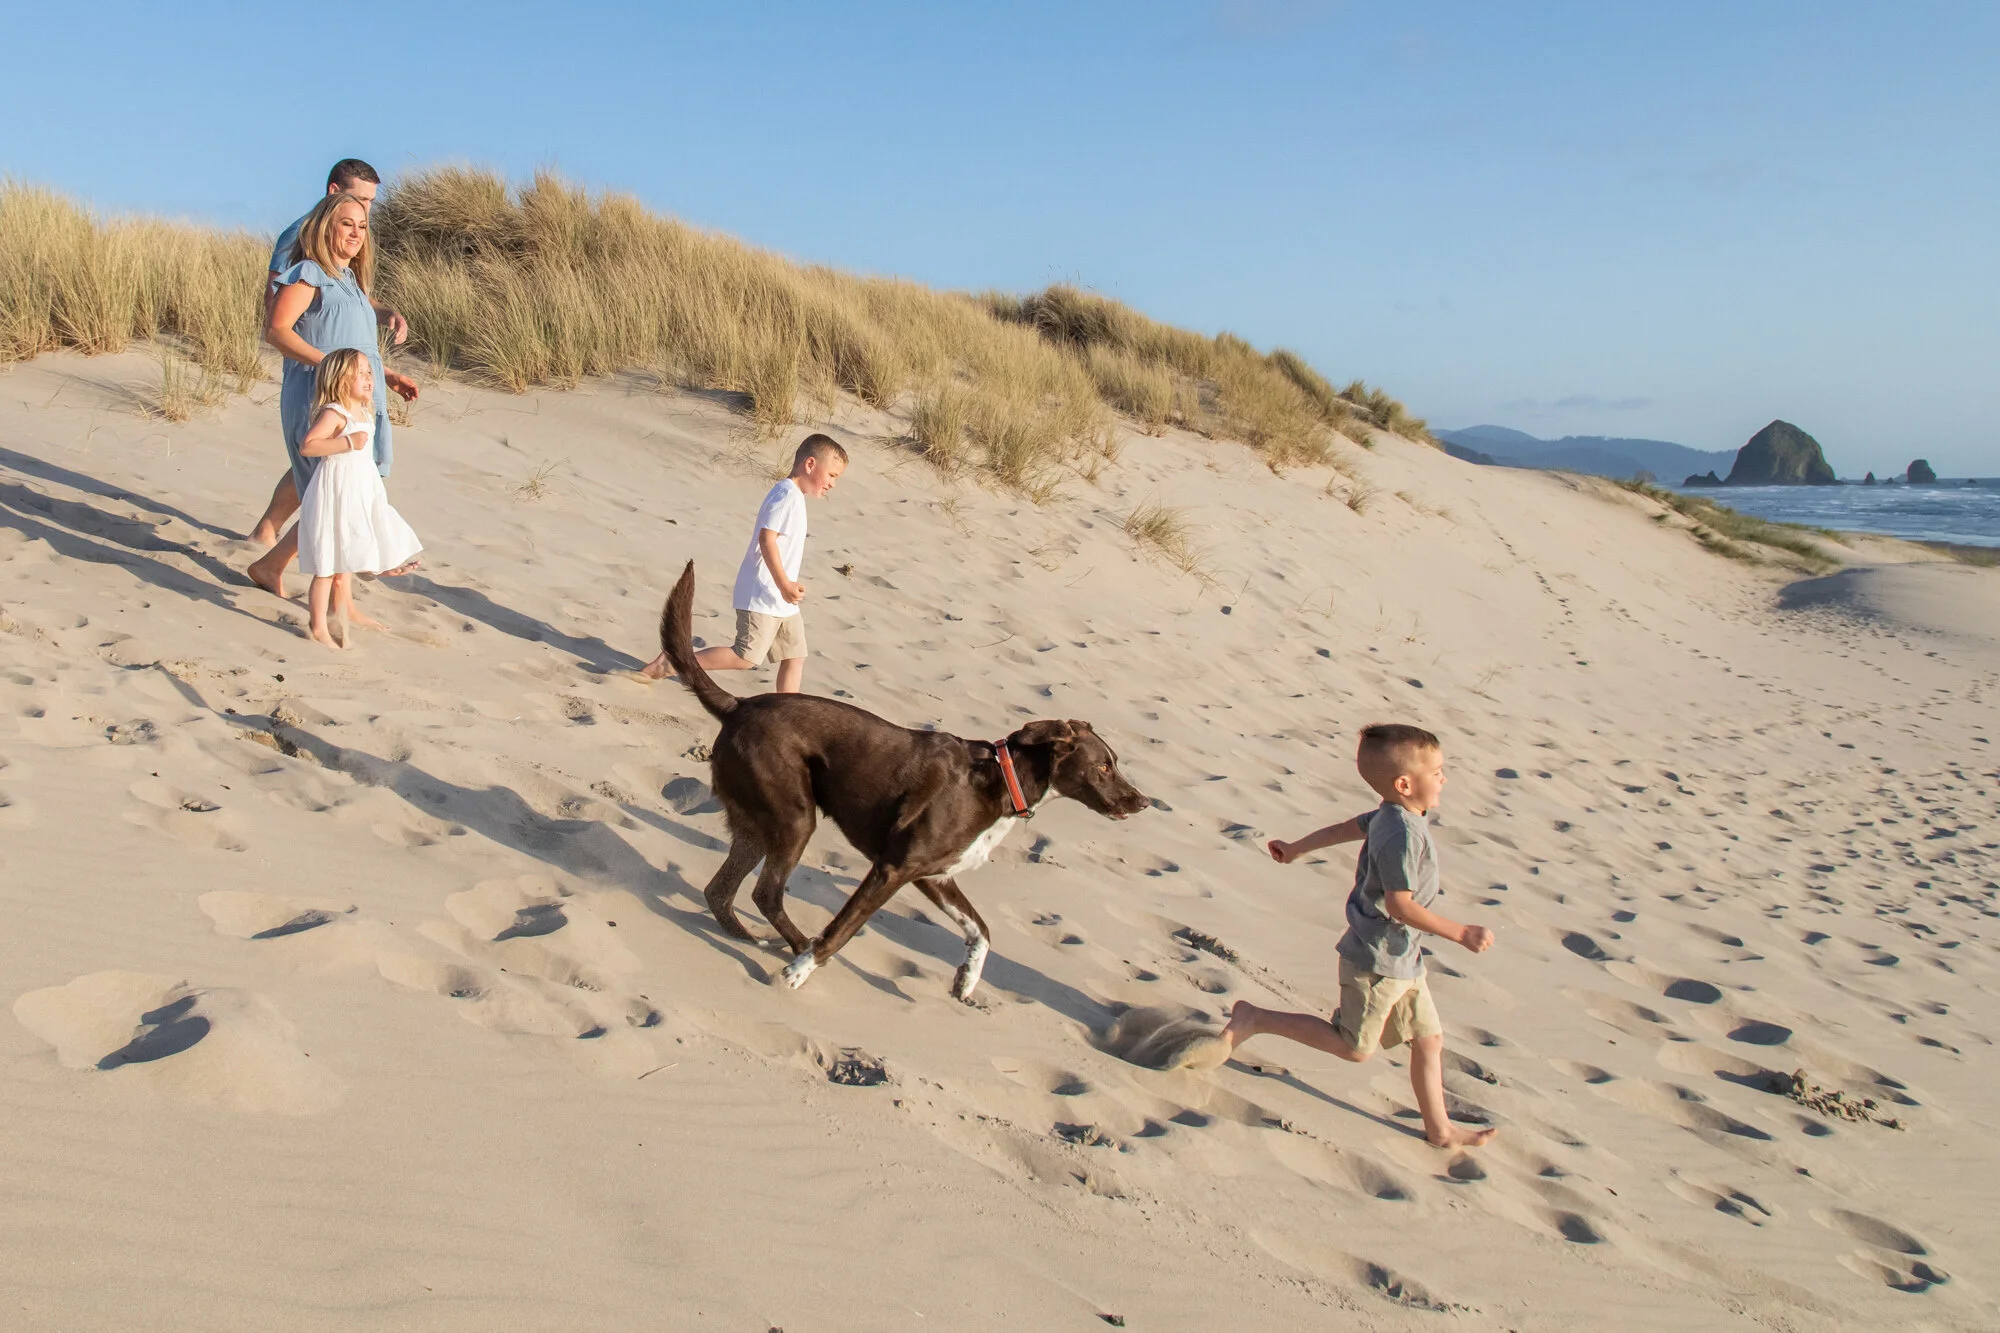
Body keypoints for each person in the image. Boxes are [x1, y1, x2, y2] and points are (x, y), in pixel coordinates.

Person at [1192, 724, 1499, 1150]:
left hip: (1404, 957)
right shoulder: (1402, 835)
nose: (1444, 777)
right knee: (1354, 1048)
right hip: (1376, 960)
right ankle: (1255, 1019)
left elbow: (1343, 830)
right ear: (1405, 783)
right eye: (1438, 771)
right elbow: (1400, 906)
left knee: (1429, 1041)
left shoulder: (1395, 814)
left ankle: (1440, 1129)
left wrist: (1297, 848)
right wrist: (1460, 931)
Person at [246, 165, 417, 594]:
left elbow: (354, 340)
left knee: (344, 494)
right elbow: (278, 324)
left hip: (358, 397)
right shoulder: (308, 265)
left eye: (365, 219)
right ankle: (310, 584)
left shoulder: (349, 278)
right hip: (321, 395)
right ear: (328, 214)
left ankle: (277, 565)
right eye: (351, 217)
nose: (361, 224)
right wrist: (329, 366)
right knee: (335, 497)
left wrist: (387, 373)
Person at [641, 434, 848, 693]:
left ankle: (788, 711)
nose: (832, 484)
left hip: (781, 601)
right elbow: (767, 539)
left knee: (794, 656)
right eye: (832, 475)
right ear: (810, 465)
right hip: (761, 594)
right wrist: (784, 583)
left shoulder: (795, 497)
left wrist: (786, 588)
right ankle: (675, 661)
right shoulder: (785, 495)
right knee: (745, 657)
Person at [293, 349, 422, 649]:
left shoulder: (363, 412)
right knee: (327, 566)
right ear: (339, 378)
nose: (368, 377)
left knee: (348, 555)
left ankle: (373, 578)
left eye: (369, 372)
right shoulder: (334, 412)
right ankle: (318, 626)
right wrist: (347, 441)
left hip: (359, 491)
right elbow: (309, 446)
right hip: (334, 493)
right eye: (360, 372)